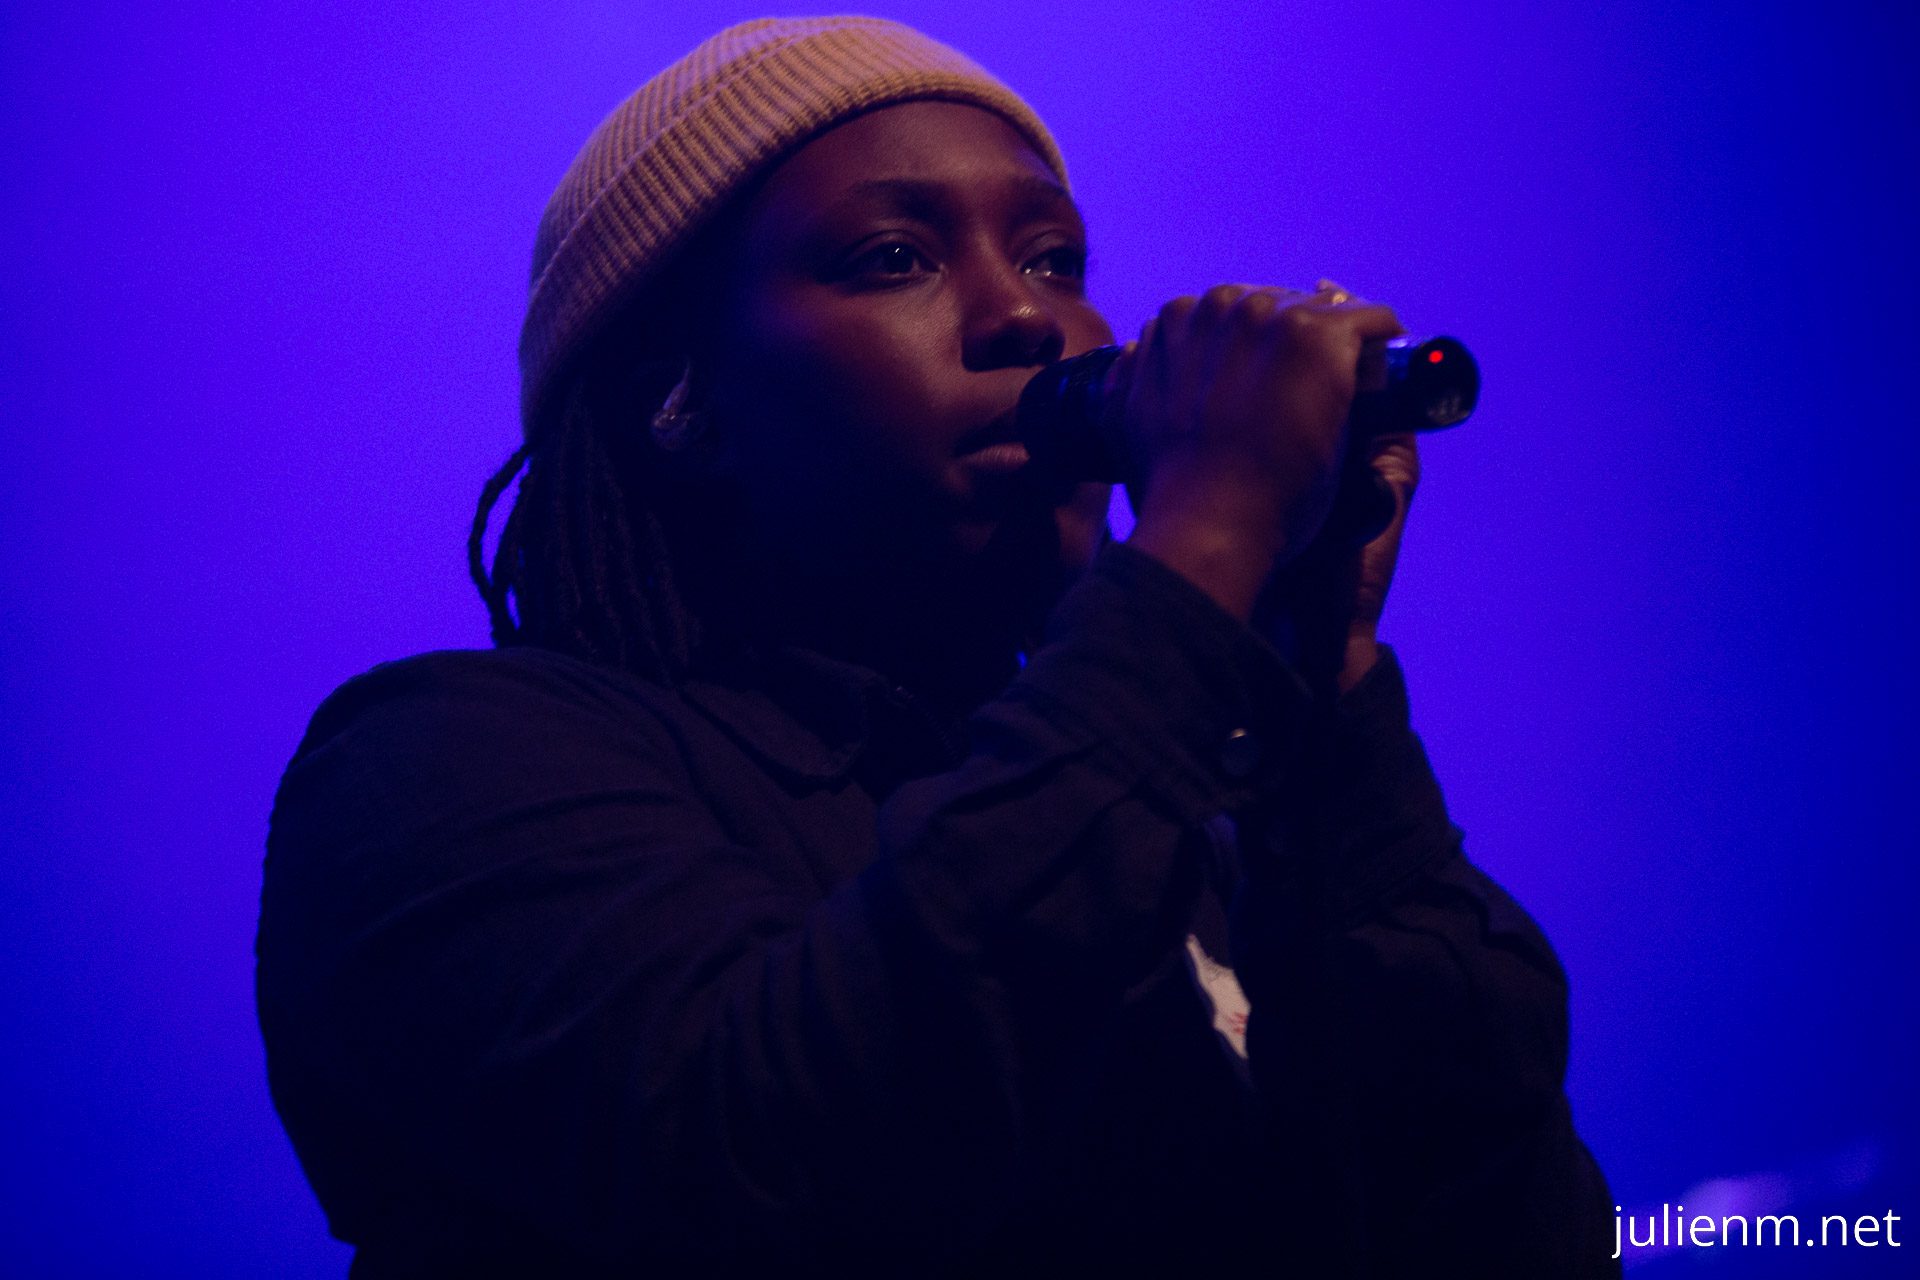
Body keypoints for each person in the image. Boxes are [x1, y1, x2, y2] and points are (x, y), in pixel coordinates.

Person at [257, 16, 1618, 1276]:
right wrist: (1206, 535)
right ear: (680, 399)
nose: (1034, 316)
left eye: (1055, 259)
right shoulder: (439, 767)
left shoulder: (1182, 849)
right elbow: (787, 1168)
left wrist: (1322, 695)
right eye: (894, 257)